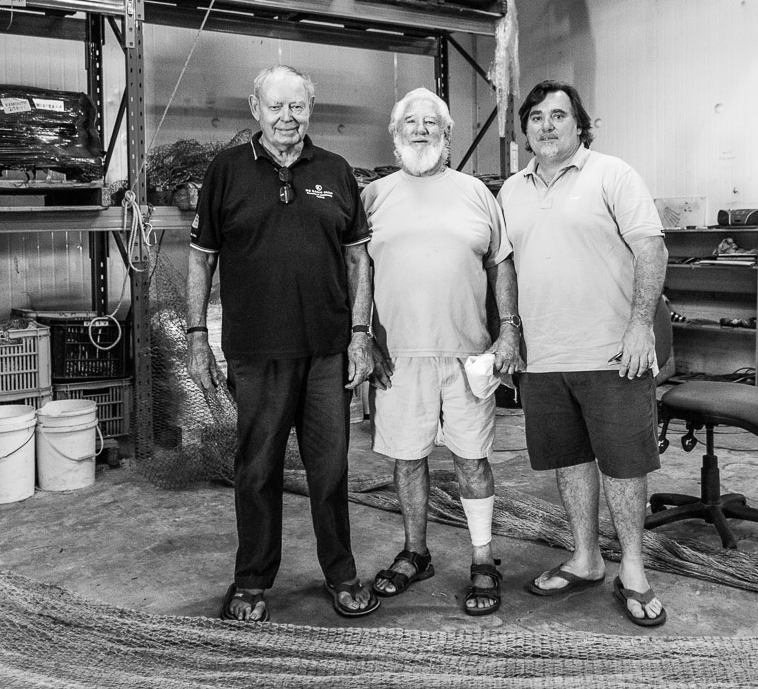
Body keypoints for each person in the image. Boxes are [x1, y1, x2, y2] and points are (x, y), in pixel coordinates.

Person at [185, 64, 379, 623]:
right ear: (255, 109)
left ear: (310, 110)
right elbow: (201, 258)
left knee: (331, 470)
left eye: (298, 107)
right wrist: (198, 336)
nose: (287, 118)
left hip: (326, 353)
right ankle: (251, 580)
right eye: (276, 107)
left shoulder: (337, 171)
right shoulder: (226, 171)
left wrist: (361, 335)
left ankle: (341, 574)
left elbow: (358, 259)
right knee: (257, 469)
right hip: (257, 353)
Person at [497, 81, 669, 628]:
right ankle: (586, 557)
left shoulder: (612, 174)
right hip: (545, 357)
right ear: (525, 129)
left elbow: (651, 247)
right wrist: (510, 331)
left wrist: (641, 325)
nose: (547, 126)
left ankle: (635, 570)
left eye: (559, 116)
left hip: (613, 354)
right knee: (569, 461)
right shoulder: (510, 191)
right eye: (537, 117)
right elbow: (504, 264)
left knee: (624, 465)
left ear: (579, 125)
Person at [362, 88, 523, 617]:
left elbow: (501, 265)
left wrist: (509, 331)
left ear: (449, 135)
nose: (421, 129)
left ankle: (483, 559)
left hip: (467, 355)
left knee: (471, 460)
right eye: (410, 121)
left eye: (433, 122)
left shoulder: (477, 193)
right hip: (399, 356)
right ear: (395, 133)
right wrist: (360, 334)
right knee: (408, 459)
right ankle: (415, 552)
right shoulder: (374, 196)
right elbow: (357, 271)